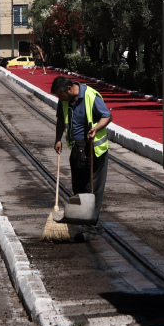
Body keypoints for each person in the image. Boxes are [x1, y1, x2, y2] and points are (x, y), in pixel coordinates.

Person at [51, 76, 113, 242]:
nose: (60, 99)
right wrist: (58, 139)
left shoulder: (90, 96)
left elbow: (107, 116)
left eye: (61, 95)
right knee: (79, 187)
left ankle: (91, 227)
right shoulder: (64, 100)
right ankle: (94, 222)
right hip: (77, 148)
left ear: (70, 89)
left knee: (93, 188)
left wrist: (96, 128)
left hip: (95, 149)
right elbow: (60, 120)